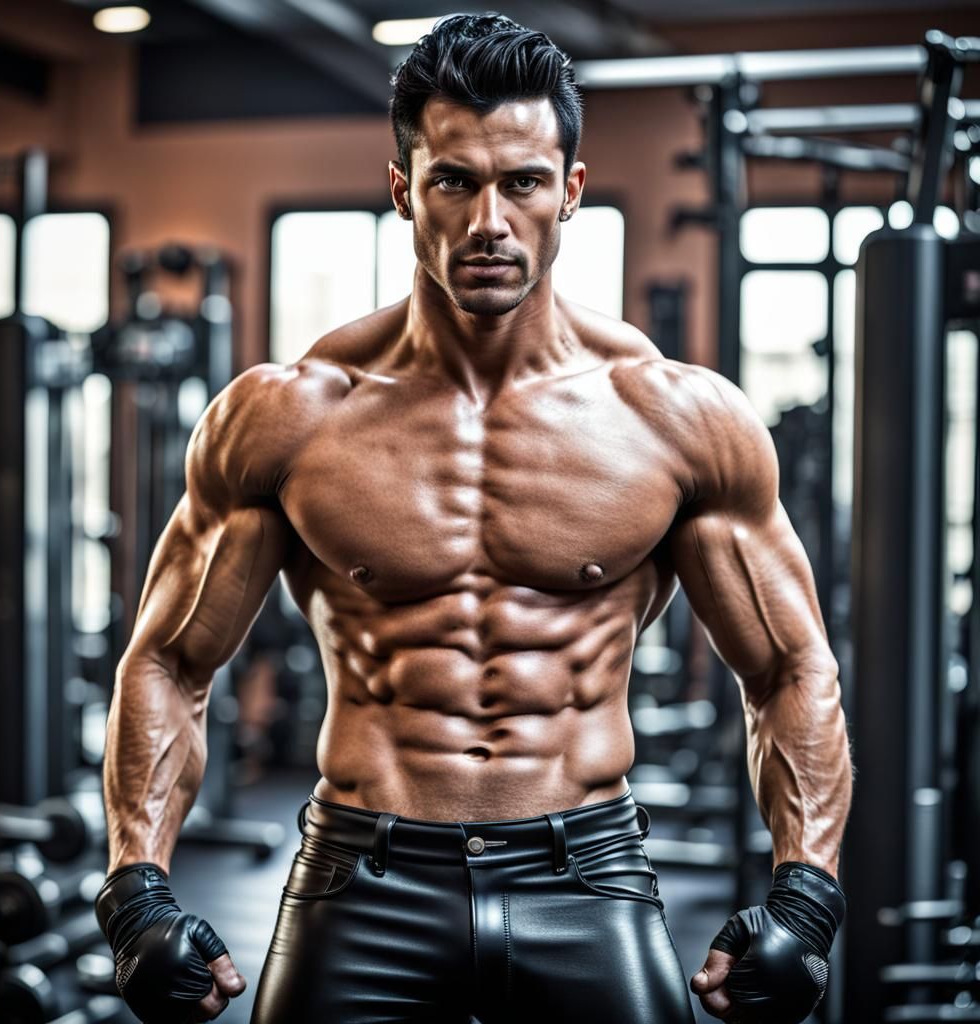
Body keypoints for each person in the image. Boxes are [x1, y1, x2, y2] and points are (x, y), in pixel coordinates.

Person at [95, 13, 853, 1024]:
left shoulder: (675, 418)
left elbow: (789, 667)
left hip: (586, 871)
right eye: (454, 181)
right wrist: (134, 891)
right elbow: (169, 660)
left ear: (569, 193)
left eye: (523, 182)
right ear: (405, 189)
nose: (488, 220)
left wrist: (805, 892)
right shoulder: (288, 415)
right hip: (360, 878)